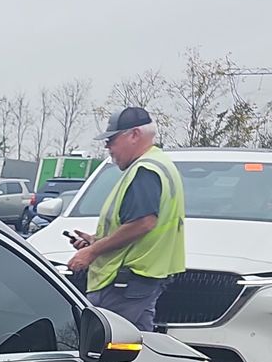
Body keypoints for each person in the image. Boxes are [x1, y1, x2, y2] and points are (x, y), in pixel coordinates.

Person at [67, 106, 186, 332]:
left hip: (126, 281)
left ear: (134, 135)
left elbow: (144, 222)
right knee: (141, 345)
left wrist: (92, 252)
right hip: (142, 278)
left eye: (112, 139)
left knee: (102, 339)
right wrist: (95, 240)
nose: (107, 146)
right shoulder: (158, 164)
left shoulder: (145, 170)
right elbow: (138, 223)